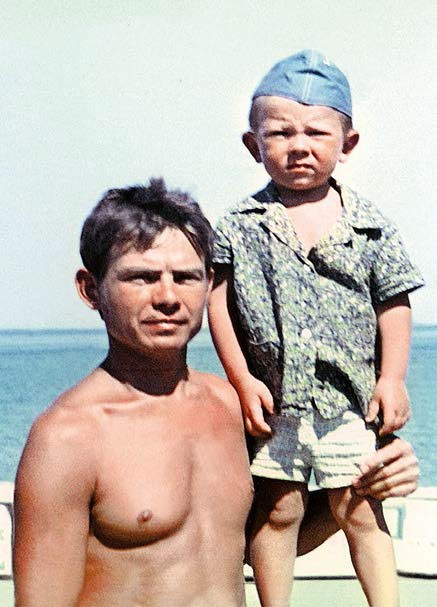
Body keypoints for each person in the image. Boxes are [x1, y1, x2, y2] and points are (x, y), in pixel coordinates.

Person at [13, 179, 419, 607]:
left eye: (185, 277)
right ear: (91, 289)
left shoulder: (227, 404)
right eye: (141, 278)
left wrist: (367, 480)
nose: (167, 297)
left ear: (209, 284)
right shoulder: (68, 438)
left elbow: (268, 532)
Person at [207, 50, 425, 607]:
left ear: (347, 144)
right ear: (253, 145)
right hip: (276, 402)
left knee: (359, 507)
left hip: (348, 402)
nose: (299, 145)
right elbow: (218, 303)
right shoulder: (237, 226)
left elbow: (394, 303)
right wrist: (240, 379)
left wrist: (392, 379)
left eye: (316, 132)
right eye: (280, 133)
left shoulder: (370, 225)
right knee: (279, 508)